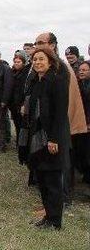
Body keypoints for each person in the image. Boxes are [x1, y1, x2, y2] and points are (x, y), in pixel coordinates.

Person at [33, 32, 86, 206]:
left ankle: (63, 200)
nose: (37, 46)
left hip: (60, 125)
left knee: (61, 164)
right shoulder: (47, 65)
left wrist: (57, 132)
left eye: (41, 42)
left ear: (53, 45)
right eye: (36, 43)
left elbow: (64, 103)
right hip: (49, 125)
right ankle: (54, 201)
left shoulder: (61, 67)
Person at [24, 49, 69, 230]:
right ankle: (48, 217)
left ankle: (55, 221)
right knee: (42, 179)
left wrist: (53, 139)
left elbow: (60, 114)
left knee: (52, 181)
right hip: (37, 138)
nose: (37, 62)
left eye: (41, 59)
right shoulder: (37, 82)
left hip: (51, 139)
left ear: (50, 61)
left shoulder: (57, 81)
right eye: (35, 59)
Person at [9, 51, 30, 147]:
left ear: (23, 62)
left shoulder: (26, 72)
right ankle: (18, 142)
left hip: (21, 103)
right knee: (17, 124)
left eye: (19, 62)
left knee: (23, 125)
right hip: (13, 103)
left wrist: (23, 103)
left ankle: (23, 144)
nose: (16, 64)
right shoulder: (12, 72)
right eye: (15, 62)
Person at [76, 61, 90, 183]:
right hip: (81, 122)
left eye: (84, 70)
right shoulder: (79, 84)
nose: (81, 72)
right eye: (80, 70)